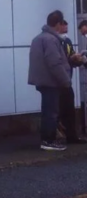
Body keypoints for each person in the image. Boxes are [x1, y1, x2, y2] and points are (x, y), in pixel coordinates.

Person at [28, 10, 72, 151]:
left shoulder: (38, 38)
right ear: (58, 24)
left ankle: (46, 139)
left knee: (47, 111)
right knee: (52, 112)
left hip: (42, 81)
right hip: (51, 81)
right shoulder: (51, 40)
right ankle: (48, 140)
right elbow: (54, 63)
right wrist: (66, 80)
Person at [57, 20, 86, 144]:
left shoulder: (67, 41)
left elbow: (71, 56)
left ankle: (71, 135)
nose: (66, 32)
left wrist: (77, 59)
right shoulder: (55, 42)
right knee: (60, 109)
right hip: (58, 82)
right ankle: (59, 135)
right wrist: (71, 59)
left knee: (69, 108)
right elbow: (59, 60)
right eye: (64, 29)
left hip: (67, 80)